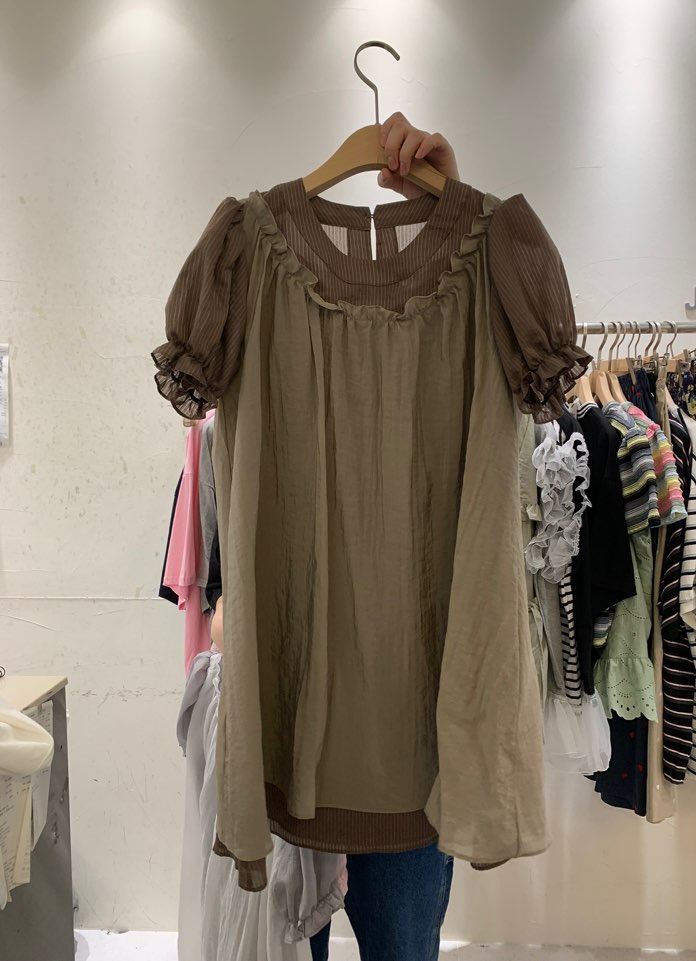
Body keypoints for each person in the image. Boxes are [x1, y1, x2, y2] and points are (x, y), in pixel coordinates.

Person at [209, 114, 461, 961]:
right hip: (290, 727)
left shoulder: (486, 257)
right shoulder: (245, 252)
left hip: (413, 739)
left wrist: (450, 205)